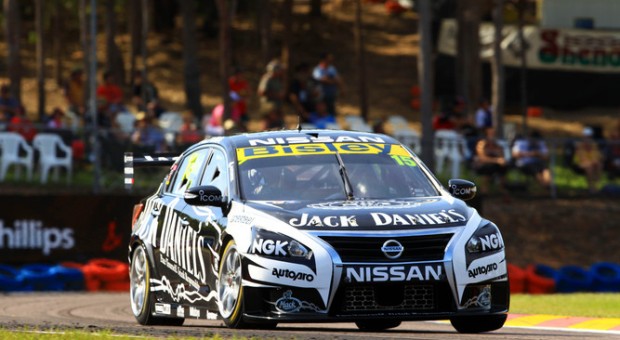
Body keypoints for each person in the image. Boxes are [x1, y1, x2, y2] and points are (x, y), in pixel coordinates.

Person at [473, 127, 507, 194]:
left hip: (494, 165)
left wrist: (500, 160)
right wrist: (496, 160)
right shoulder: (481, 144)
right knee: (488, 168)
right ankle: (484, 190)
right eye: (490, 133)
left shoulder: (497, 145)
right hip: (482, 165)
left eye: (493, 134)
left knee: (503, 167)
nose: (492, 135)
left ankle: (502, 189)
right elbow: (482, 158)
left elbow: (501, 157)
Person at [574, 127, 603, 193]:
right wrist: (590, 161)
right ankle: (590, 187)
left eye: (589, 137)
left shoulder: (594, 144)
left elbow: (598, 155)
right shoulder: (579, 145)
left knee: (599, 165)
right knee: (589, 167)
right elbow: (580, 157)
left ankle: (596, 186)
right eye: (585, 136)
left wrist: (595, 160)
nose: (587, 138)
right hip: (581, 163)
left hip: (592, 162)